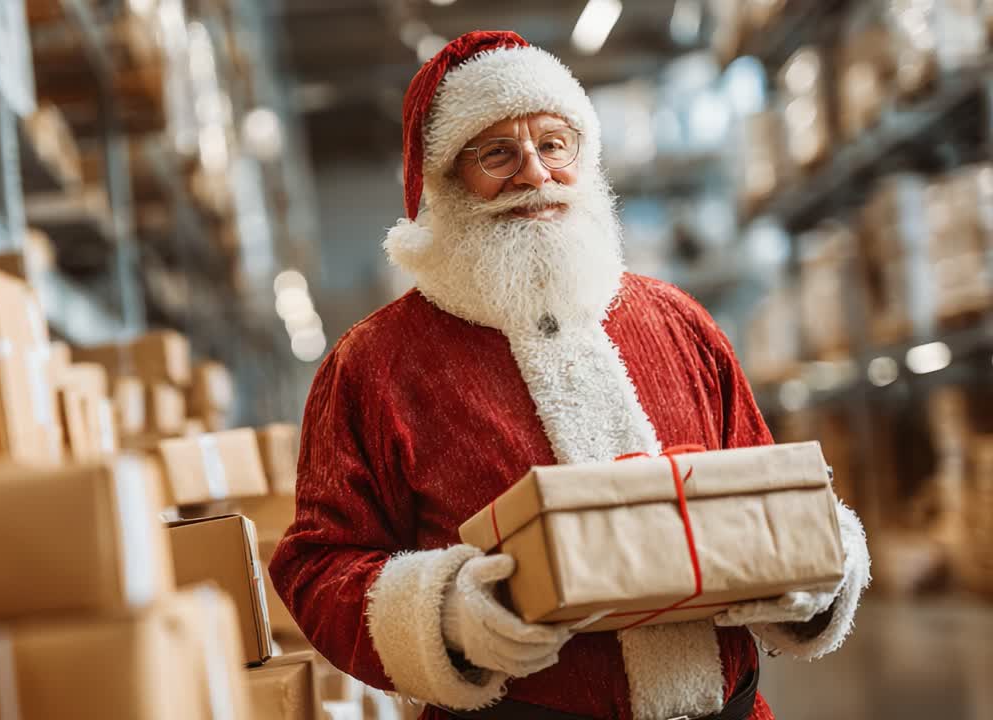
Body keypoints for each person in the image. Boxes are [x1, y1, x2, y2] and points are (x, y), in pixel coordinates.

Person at [268, 31, 870, 720]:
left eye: (555, 144)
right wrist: (452, 617)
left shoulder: (679, 323)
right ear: (443, 182)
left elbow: (774, 491)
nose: (535, 172)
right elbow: (317, 565)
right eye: (497, 153)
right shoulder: (373, 365)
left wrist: (821, 562)